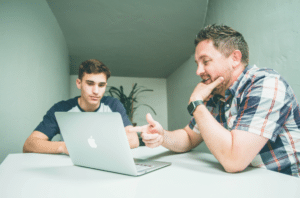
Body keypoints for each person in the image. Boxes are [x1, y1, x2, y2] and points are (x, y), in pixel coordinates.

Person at [130, 24, 300, 177]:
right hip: (248, 182)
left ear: (235, 58)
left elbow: (234, 161)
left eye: (205, 61)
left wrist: (196, 103)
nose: (198, 71)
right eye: (197, 63)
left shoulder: (267, 84)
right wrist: (163, 136)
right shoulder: (217, 94)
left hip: (286, 184)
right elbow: (189, 137)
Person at [23, 59, 139, 154]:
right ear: (79, 83)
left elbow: (134, 140)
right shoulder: (61, 109)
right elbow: (30, 144)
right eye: (90, 83)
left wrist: (94, 146)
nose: (96, 91)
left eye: (101, 85)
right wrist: (63, 147)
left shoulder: (113, 105)